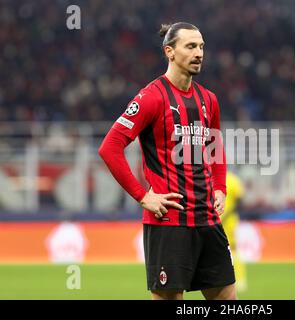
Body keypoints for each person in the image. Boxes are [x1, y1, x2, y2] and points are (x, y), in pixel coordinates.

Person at [98, 22, 236, 300]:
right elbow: (110, 147)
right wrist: (142, 196)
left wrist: (219, 187)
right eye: (190, 46)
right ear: (169, 52)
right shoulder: (151, 97)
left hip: (208, 219)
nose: (199, 53)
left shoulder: (209, 99)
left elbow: (215, 148)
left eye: (201, 47)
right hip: (169, 223)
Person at [221, 171, 248, 292]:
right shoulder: (233, 179)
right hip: (228, 220)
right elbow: (241, 200)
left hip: (220, 220)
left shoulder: (210, 178)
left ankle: (239, 279)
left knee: (231, 250)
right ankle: (240, 280)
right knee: (233, 250)